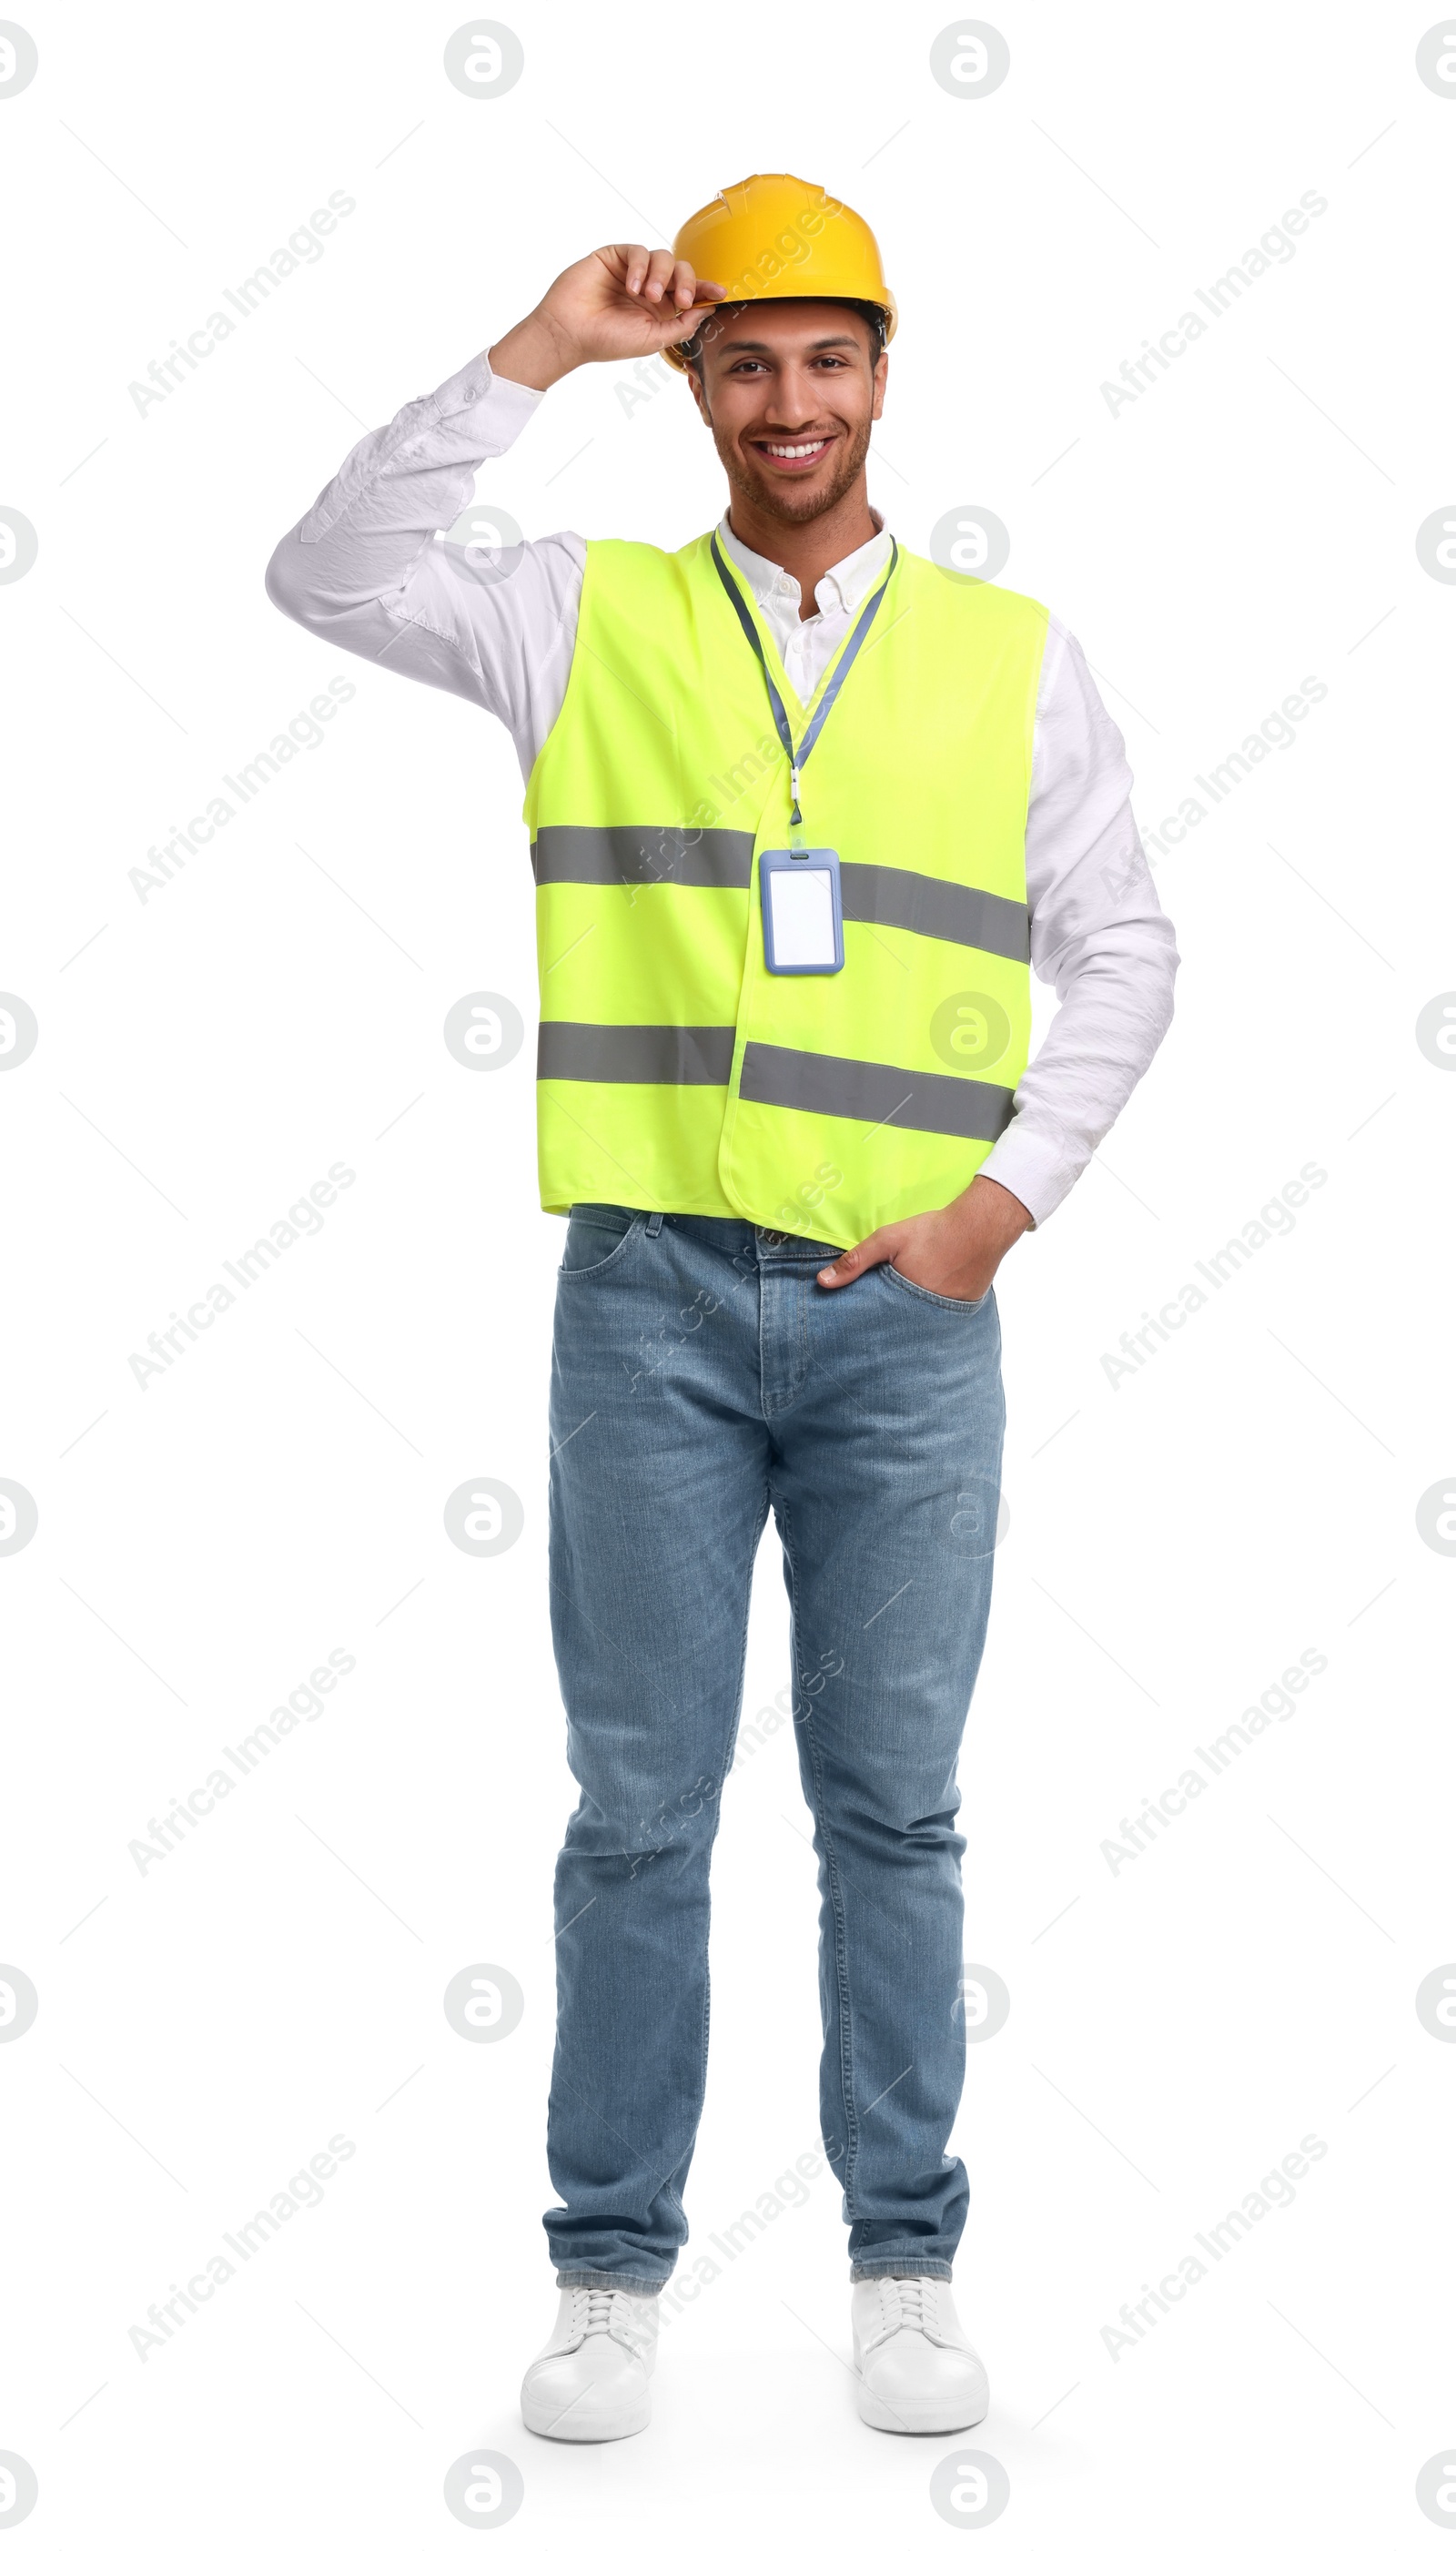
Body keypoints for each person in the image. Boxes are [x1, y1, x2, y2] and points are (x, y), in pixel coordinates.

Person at [266, 171, 1178, 2442]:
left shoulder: (1007, 652)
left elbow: (1126, 950)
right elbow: (327, 572)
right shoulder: (577, 619)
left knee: (893, 1809)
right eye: (742, 361)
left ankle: (901, 2255)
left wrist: (997, 1209)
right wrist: (533, 349)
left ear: (882, 374)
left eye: (826, 357)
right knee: (638, 1812)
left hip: (903, 1320)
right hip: (649, 1307)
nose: (790, 402)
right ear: (692, 387)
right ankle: (605, 2271)